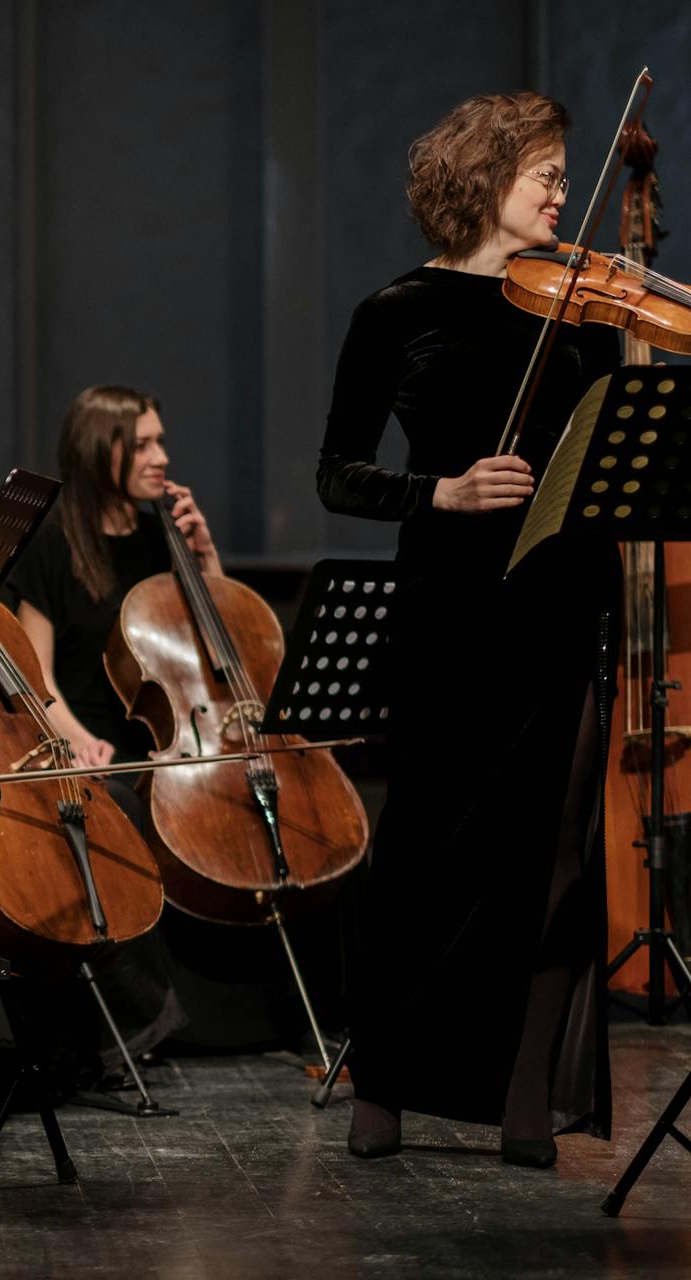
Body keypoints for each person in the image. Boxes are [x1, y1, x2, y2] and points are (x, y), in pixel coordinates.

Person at [316, 91, 616, 1166]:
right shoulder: (395, 312)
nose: (561, 192)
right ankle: (385, 1076)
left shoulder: (585, 310)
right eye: (546, 172)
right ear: (489, 179)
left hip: (563, 604)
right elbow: (337, 474)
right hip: (449, 609)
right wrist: (440, 493)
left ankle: (525, 1087)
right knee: (423, 851)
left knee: (556, 855)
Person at [1, 384, 208, 1061]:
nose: (162, 457)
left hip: (160, 733)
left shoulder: (160, 537)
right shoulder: (52, 540)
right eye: (143, 444)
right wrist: (72, 738)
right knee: (115, 804)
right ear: (102, 451)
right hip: (83, 741)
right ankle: (144, 1023)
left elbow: (210, 642)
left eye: (161, 441)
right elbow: (36, 674)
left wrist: (203, 557)